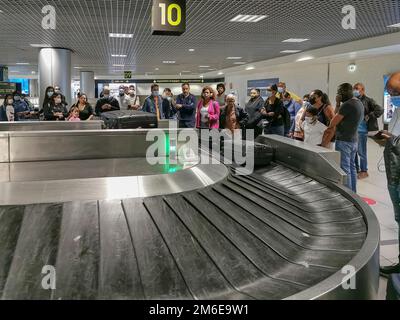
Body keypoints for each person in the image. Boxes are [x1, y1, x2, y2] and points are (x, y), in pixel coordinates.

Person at [322, 83, 364, 193]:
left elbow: (333, 122)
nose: (338, 95)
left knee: (345, 169)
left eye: (339, 92)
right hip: (354, 139)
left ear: (344, 92)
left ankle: (348, 194)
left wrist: (337, 103)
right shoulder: (359, 103)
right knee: (352, 167)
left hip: (344, 140)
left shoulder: (347, 105)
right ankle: (353, 192)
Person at [379, 108, 400, 276]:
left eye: (395, 92)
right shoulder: (398, 110)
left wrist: (391, 139)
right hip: (394, 173)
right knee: (398, 218)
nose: (394, 97)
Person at [353, 83, 384, 179]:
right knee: (354, 151)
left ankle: (364, 171)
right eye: (354, 89)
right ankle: (356, 169)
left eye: (357, 89)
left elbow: (380, 109)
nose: (355, 91)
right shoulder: (353, 101)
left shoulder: (368, 101)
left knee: (361, 151)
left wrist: (369, 115)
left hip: (362, 130)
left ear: (363, 90)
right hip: (353, 130)